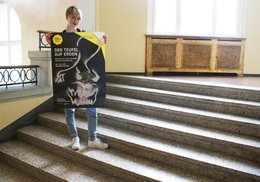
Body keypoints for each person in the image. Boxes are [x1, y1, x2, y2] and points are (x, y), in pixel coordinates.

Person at [47, 6, 109, 150]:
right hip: (70, 81)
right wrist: (48, 39)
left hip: (85, 79)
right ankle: (74, 138)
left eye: (78, 18)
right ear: (67, 17)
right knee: (69, 111)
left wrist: (103, 39)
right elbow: (56, 53)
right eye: (73, 17)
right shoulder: (59, 38)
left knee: (92, 110)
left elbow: (97, 48)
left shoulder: (85, 36)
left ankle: (92, 139)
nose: (76, 21)